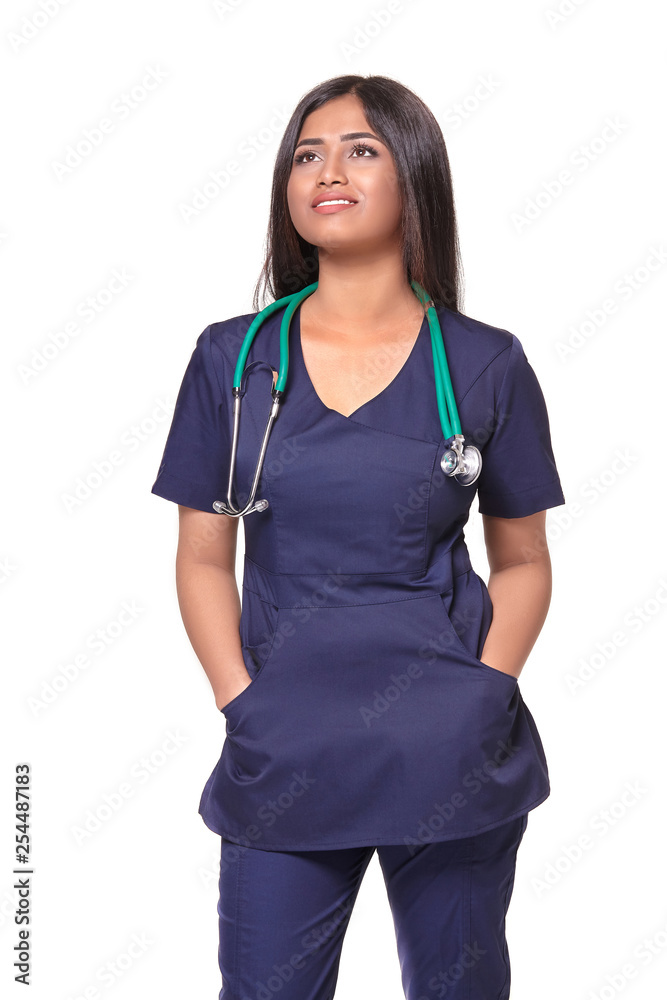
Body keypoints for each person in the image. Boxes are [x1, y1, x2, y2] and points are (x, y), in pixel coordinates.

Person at [151, 74, 566, 1000]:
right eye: (306, 153)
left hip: (450, 752)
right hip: (283, 748)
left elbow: (525, 559)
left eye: (360, 149)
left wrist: (486, 693)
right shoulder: (233, 360)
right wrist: (238, 701)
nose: (325, 170)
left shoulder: (483, 362)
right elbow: (202, 554)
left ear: (413, 176)